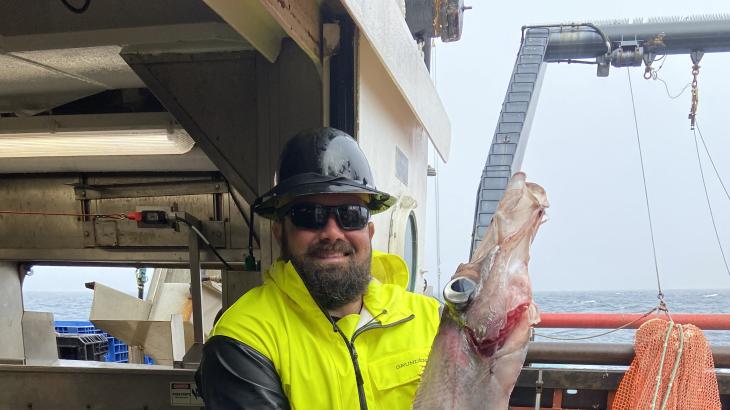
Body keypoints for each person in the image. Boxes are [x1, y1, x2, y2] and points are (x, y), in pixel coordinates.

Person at [195, 128, 441, 409]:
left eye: (351, 214)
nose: (332, 233)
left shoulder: (430, 319)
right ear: (280, 232)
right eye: (309, 215)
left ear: (369, 231)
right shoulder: (244, 338)